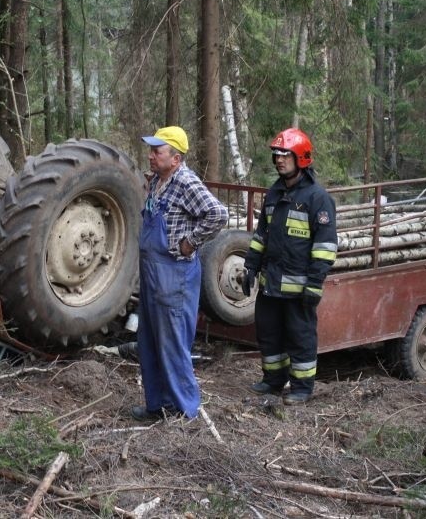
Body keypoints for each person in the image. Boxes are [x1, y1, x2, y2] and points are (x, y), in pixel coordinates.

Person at [132, 126, 228, 421]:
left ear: (175, 157)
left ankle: (186, 411)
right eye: (151, 150)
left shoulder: (186, 181)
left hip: (175, 275)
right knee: (148, 340)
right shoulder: (157, 181)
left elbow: (218, 214)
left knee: (173, 342)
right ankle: (157, 405)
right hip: (151, 274)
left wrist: (190, 242)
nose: (150, 156)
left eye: (157, 151)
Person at [243, 128, 337, 405]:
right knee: (268, 333)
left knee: (300, 337)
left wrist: (314, 284)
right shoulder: (274, 193)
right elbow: (262, 236)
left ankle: (302, 387)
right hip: (270, 285)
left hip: (299, 288)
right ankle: (273, 380)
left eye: (285, 154)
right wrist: (250, 266)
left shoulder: (317, 198)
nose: (279, 160)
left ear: (301, 158)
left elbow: (325, 246)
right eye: (276, 154)